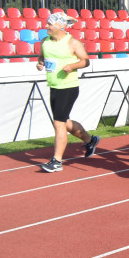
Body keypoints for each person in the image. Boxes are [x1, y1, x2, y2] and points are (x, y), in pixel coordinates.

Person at [36, 12, 99, 172]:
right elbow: (41, 57)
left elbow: (85, 60)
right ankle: (90, 140)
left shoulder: (72, 42)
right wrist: (40, 64)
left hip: (68, 86)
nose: (46, 27)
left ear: (58, 25)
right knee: (64, 121)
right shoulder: (45, 42)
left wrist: (72, 66)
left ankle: (56, 161)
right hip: (54, 86)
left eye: (49, 24)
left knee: (59, 123)